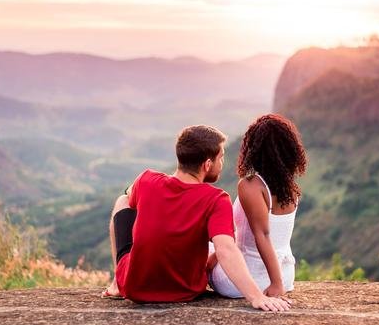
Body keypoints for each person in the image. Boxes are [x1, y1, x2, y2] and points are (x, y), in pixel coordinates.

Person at [102, 124, 291, 312]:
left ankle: (118, 283)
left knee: (123, 201)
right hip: (186, 290)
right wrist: (256, 296)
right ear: (207, 165)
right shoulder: (216, 199)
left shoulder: (146, 180)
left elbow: (129, 197)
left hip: (135, 288)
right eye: (221, 158)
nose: (222, 164)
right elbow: (226, 249)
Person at [208, 114, 307, 298]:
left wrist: (275, 285)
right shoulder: (290, 189)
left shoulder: (250, 186)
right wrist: (280, 282)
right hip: (286, 277)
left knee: (208, 246)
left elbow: (262, 234)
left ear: (254, 149)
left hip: (245, 281)